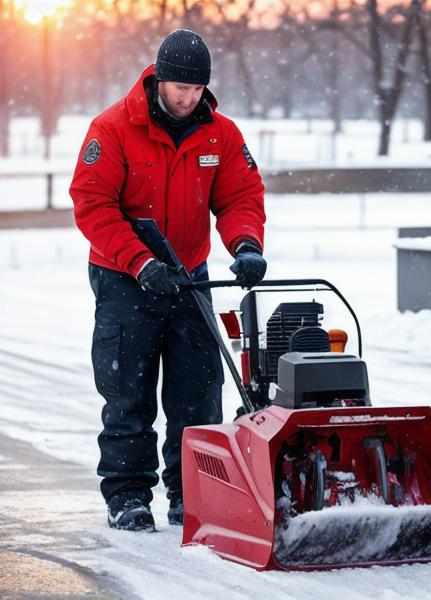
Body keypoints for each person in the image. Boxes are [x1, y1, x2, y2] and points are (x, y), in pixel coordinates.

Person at [70, 29, 267, 532]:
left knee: (198, 393)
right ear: (159, 78)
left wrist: (245, 244)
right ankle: (129, 495)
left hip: (190, 277)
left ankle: (192, 493)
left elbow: (240, 195)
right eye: (180, 87)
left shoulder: (220, 134)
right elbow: (93, 206)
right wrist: (141, 262)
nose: (187, 98)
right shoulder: (112, 129)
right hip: (124, 278)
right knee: (128, 393)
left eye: (197, 89)